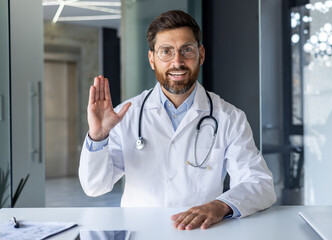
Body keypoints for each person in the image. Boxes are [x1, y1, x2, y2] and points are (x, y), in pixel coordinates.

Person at [79, 10, 276, 230]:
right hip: (142, 232)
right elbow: (94, 187)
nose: (177, 61)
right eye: (166, 51)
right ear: (152, 59)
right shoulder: (126, 115)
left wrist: (220, 206)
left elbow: (260, 184)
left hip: (201, 233)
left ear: (201, 54)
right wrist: (98, 136)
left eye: (187, 50)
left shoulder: (229, 117)